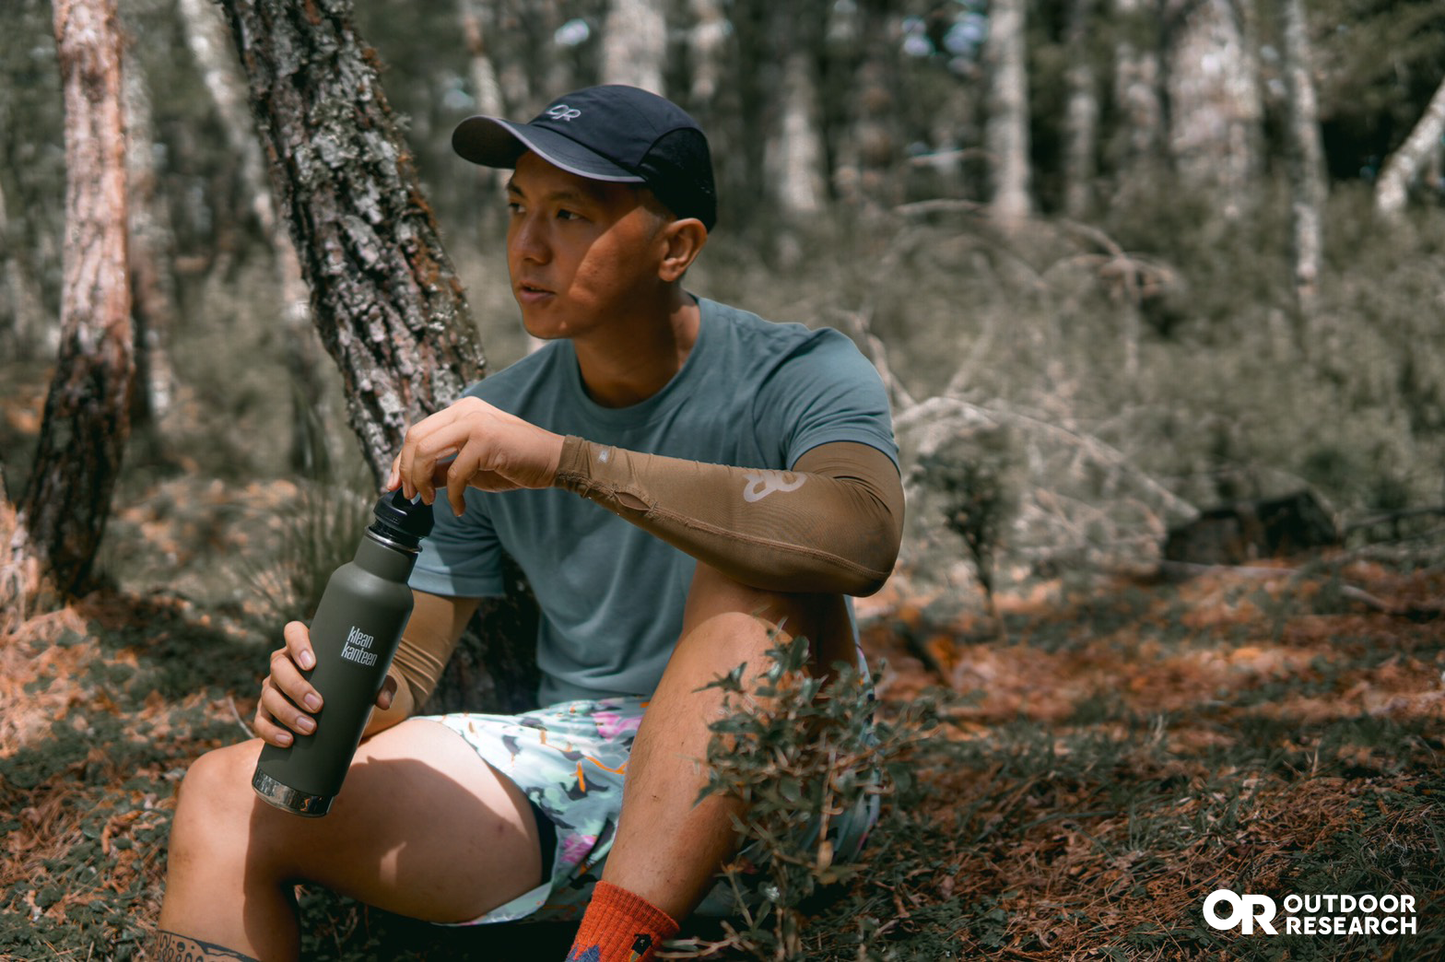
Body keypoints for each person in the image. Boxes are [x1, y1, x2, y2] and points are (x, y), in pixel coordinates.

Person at [155, 84, 903, 962]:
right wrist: (339, 691)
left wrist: (571, 463)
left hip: (787, 776)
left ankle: (606, 951)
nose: (528, 245)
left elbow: (860, 535)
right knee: (223, 796)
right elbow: (411, 662)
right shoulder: (493, 419)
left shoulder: (798, 372)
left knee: (755, 565)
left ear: (675, 248)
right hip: (582, 771)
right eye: (518, 207)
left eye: (570, 214)